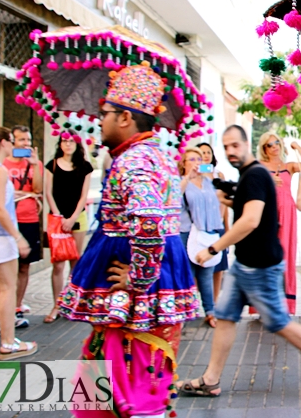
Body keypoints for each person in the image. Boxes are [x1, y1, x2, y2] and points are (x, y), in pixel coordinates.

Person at [57, 64, 198, 417]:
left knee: (133, 386)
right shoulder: (155, 155)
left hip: (134, 293)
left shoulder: (135, 159)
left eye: (104, 114)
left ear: (124, 118)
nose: (98, 122)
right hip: (140, 289)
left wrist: (139, 277)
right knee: (127, 382)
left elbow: (148, 218)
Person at [177, 125, 301, 398]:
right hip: (244, 264)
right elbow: (253, 206)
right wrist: (229, 200)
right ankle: (211, 378)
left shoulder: (255, 174)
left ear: (245, 144)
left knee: (278, 321)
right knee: (225, 316)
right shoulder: (250, 174)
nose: (230, 151)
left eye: (235, 145)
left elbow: (251, 220)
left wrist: (213, 248)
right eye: (226, 146)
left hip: (261, 266)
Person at [0, 127, 38, 359]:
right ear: (4, 143)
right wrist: (17, 236)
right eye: (11, 140)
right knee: (7, 288)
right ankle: (8, 342)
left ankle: (9, 340)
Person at [257, 132, 301, 315]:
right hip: (268, 212)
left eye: (277, 143)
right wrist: (268, 179)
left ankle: (284, 304)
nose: (274, 146)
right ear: (264, 149)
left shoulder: (288, 166)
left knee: (286, 255)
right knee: (266, 255)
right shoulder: (261, 166)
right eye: (270, 144)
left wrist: (297, 147)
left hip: (288, 211)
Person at [43, 132, 94, 323]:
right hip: (57, 217)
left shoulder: (85, 167)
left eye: (71, 141)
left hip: (77, 217)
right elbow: (48, 192)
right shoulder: (52, 165)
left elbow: (83, 196)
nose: (68, 144)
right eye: (65, 141)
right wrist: (59, 216)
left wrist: (72, 218)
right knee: (58, 263)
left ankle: (73, 301)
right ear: (60, 143)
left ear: (77, 144)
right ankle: (57, 304)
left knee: (75, 260)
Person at [179, 147, 224, 328]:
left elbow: (220, 197)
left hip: (208, 231)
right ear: (184, 163)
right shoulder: (181, 181)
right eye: (192, 159)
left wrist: (212, 175)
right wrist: (188, 176)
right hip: (187, 232)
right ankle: (183, 311)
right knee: (187, 274)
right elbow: (174, 198)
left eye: (199, 159)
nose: (197, 162)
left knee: (206, 272)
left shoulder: (208, 181)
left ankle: (210, 312)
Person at [197, 142, 230, 302]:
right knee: (199, 265)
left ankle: (215, 300)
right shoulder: (195, 175)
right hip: (200, 226)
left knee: (219, 267)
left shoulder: (219, 175)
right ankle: (198, 301)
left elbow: (224, 203)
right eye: (202, 152)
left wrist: (227, 227)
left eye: (208, 152)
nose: (206, 155)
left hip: (218, 225)